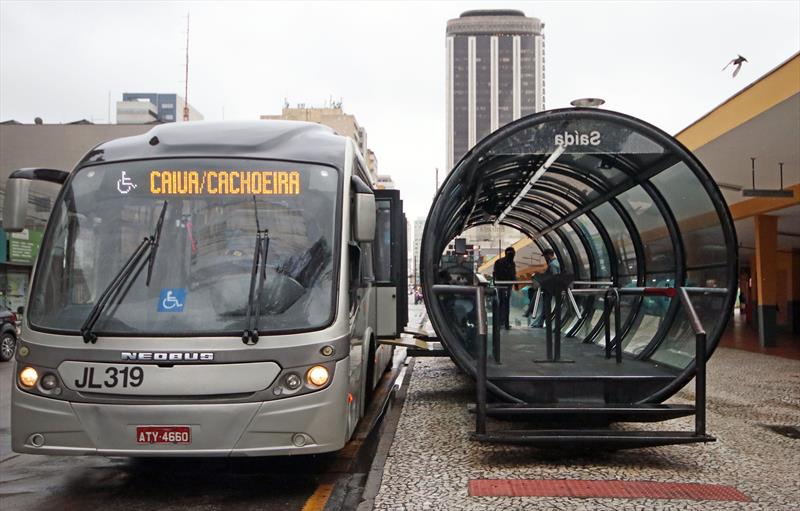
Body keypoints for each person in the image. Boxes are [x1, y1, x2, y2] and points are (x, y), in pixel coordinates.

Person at [530, 248, 560, 328]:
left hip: (549, 288)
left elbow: (554, 276)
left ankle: (541, 322)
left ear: (548, 255)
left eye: (545, 256)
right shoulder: (556, 262)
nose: (545, 258)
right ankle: (541, 322)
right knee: (546, 305)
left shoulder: (553, 264)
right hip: (552, 288)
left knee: (546, 305)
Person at [493, 247, 516, 329]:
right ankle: (505, 323)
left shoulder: (498, 262)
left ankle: (500, 322)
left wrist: (495, 283)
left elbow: (494, 273)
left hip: (500, 285)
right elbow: (513, 274)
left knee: (501, 303)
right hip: (507, 285)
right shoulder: (511, 263)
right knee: (506, 304)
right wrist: (515, 284)